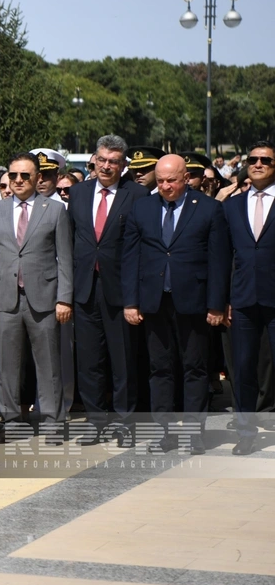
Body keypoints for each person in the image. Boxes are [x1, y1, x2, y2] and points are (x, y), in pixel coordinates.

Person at [122, 154, 228, 454]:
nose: (166, 186)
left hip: (193, 301)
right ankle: (163, 434)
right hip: (154, 301)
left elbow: (218, 260)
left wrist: (216, 305)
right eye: (161, 180)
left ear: (185, 178)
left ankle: (194, 434)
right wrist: (131, 302)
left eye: (172, 180)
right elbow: (130, 258)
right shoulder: (142, 208)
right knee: (160, 369)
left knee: (195, 368)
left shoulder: (208, 208)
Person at [0, 152, 73, 443]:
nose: (18, 180)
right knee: (7, 367)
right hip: (5, 298)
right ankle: (11, 423)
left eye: (25, 175)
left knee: (48, 366)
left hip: (44, 299)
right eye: (13, 175)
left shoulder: (55, 210)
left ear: (38, 177)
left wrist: (64, 298)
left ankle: (52, 425)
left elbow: (65, 258)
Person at [67, 135, 148, 446]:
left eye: (113, 162)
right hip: (85, 289)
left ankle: (125, 424)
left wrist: (134, 297)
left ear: (123, 165)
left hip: (121, 292)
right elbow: (71, 241)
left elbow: (140, 246)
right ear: (94, 160)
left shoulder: (137, 194)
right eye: (101, 160)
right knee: (89, 362)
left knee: (123, 362)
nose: (106, 166)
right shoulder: (78, 193)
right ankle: (95, 422)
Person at [223, 142, 275, 456]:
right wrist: (222, 299)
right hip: (241, 299)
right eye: (252, 159)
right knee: (242, 369)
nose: (257, 164)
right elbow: (221, 256)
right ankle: (245, 432)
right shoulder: (232, 206)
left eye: (265, 160)